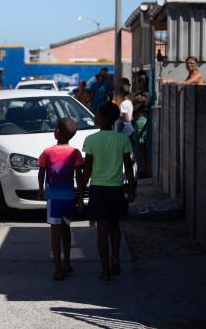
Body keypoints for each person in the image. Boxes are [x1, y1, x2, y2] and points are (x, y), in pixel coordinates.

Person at [82, 102, 136, 281]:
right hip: (116, 189)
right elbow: (128, 167)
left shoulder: (91, 140)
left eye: (97, 114)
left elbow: (87, 170)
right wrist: (131, 190)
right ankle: (115, 260)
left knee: (102, 230)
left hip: (97, 190)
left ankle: (104, 270)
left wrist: (82, 190)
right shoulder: (122, 139)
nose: (95, 116)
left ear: (103, 118)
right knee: (115, 226)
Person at [37, 118, 84, 281]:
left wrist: (40, 189)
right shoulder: (75, 152)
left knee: (55, 234)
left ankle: (58, 269)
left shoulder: (47, 152)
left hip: (54, 198)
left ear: (57, 132)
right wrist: (80, 196)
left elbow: (41, 172)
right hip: (69, 196)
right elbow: (79, 175)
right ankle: (67, 263)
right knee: (66, 229)